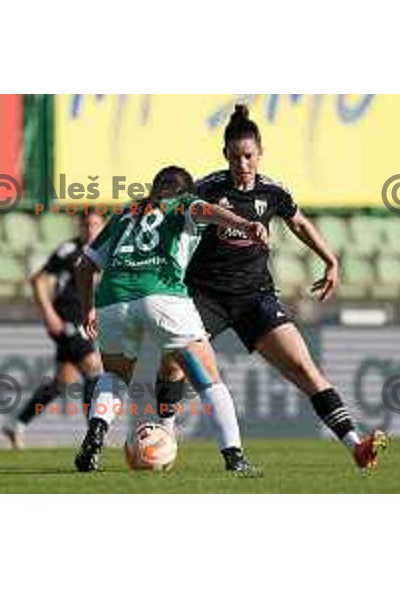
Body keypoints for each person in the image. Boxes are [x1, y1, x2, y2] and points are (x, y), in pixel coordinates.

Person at [154, 105, 388, 471]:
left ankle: (356, 446)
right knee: (173, 361)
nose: (242, 163)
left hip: (254, 298)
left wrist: (331, 260)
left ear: (259, 154)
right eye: (235, 157)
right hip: (205, 296)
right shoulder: (208, 188)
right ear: (225, 155)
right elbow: (174, 219)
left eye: (248, 156)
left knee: (303, 366)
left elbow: (300, 224)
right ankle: (165, 439)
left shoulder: (273, 192)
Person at [74, 166, 267, 474]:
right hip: (163, 298)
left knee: (115, 377)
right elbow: (210, 211)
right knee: (209, 380)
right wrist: (246, 224)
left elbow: (84, 266)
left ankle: (96, 432)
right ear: (185, 190)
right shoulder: (185, 204)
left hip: (113, 301)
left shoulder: (128, 211)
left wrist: (88, 310)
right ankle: (234, 458)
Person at [2, 210, 104, 449]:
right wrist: (49, 314)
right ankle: (95, 434)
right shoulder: (69, 251)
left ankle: (17, 424)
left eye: (95, 225)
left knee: (62, 382)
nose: (90, 230)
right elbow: (38, 280)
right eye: (86, 225)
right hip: (67, 321)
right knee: (93, 369)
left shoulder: (101, 252)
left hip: (82, 322)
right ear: (79, 226)